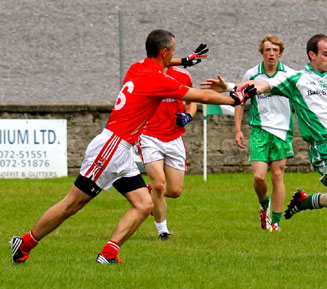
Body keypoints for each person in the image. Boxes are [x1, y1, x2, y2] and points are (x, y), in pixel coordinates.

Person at [9, 29, 256, 264]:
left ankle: (109, 253)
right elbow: (199, 96)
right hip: (111, 147)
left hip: (121, 149)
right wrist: (234, 98)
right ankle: (25, 244)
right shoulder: (158, 80)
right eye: (172, 53)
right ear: (163, 53)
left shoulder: (137, 67)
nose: (173, 58)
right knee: (72, 204)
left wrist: (186, 60)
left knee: (144, 204)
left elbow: (163, 62)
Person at [202, 34, 327, 262]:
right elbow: (260, 85)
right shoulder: (296, 79)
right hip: (324, 148)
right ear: (312, 55)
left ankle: (306, 201)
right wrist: (230, 86)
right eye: (325, 54)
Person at [234, 34, 295, 232]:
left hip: (282, 131)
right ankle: (264, 204)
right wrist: (237, 129)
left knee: (278, 175)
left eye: (275, 50)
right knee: (259, 177)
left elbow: (301, 103)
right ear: (262, 52)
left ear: (280, 53)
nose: (271, 54)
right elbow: (239, 102)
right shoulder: (251, 74)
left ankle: (275, 221)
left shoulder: (290, 75)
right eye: (268, 50)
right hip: (259, 130)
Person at [136, 65, 197, 241]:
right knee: (159, 185)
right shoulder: (145, 73)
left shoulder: (182, 75)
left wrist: (189, 116)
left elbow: (191, 102)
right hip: (149, 136)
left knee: (175, 191)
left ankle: (147, 193)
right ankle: (163, 230)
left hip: (174, 137)